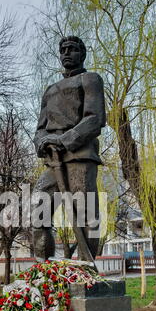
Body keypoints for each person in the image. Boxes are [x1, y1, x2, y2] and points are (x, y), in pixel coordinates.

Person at [32, 36, 106, 260]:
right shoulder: (50, 89)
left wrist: (63, 140)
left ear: (82, 54)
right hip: (54, 161)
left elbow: (95, 119)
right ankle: (44, 271)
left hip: (80, 156)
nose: (66, 53)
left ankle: (86, 273)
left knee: (85, 215)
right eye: (63, 49)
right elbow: (40, 128)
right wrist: (42, 142)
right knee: (38, 211)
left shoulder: (90, 79)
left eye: (72, 49)